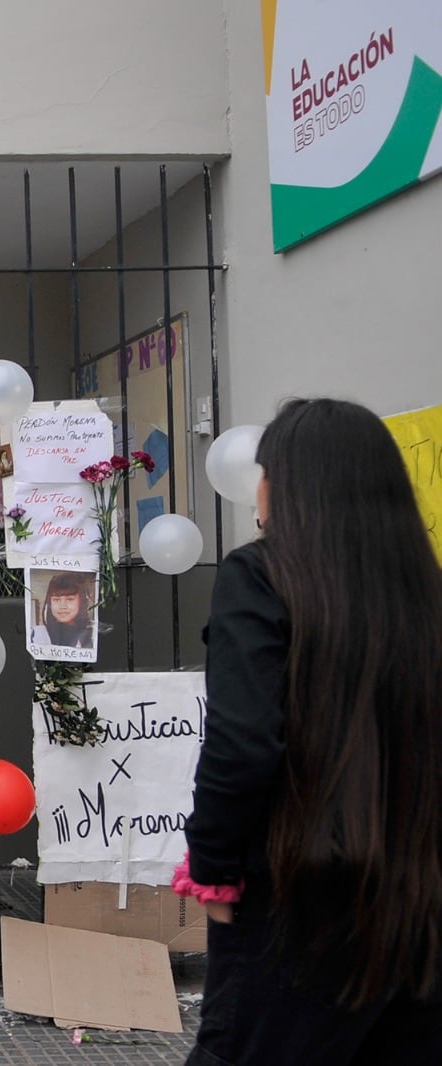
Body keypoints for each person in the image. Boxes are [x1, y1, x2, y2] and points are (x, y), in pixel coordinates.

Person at [177, 398, 442, 1064]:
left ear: (287, 484)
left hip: (297, 896)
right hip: (419, 896)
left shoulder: (261, 575)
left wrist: (212, 866)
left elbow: (243, 742)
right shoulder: (423, 589)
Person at [28, 570, 93, 648]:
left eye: (70, 599)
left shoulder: (92, 636)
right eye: (56, 600)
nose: (62, 606)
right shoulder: (36, 636)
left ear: (82, 601)